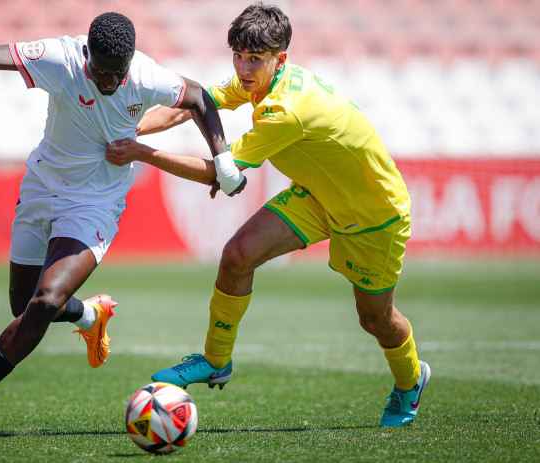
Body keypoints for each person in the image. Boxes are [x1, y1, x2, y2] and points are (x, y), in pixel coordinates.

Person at [0, 12, 246, 439]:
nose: (109, 81)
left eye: (117, 73)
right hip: (42, 188)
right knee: (24, 305)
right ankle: (90, 314)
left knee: (45, 299)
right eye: (101, 72)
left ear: (130, 62)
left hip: (95, 203)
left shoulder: (146, 77)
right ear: (87, 54)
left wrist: (222, 160)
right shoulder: (60, 59)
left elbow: (200, 97)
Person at [105, 2, 430, 427]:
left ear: (281, 58)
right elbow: (194, 104)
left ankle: (410, 383)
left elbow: (217, 174)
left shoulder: (285, 109)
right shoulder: (259, 80)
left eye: (254, 58)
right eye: (237, 55)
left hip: (373, 213)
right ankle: (216, 360)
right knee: (237, 254)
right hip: (317, 197)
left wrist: (139, 152)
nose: (243, 67)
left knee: (374, 319)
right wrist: (130, 129)